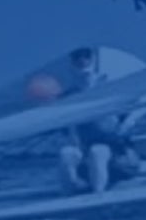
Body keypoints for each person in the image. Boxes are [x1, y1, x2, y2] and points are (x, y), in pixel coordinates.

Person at [56, 46, 141, 193]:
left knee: (98, 151)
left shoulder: (111, 87)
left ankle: (97, 196)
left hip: (120, 158)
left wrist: (126, 125)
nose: (82, 59)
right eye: (77, 56)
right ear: (71, 61)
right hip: (87, 157)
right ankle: (70, 196)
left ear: (93, 59)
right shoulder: (67, 97)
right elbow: (68, 131)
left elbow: (140, 104)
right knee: (66, 153)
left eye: (86, 55)